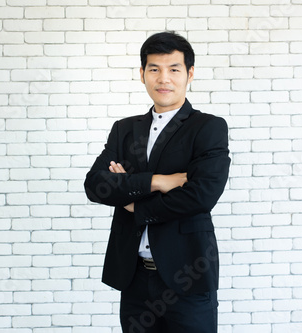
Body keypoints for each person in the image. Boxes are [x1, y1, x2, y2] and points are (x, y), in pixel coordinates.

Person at [84, 31, 231, 333]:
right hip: (134, 278)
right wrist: (158, 181)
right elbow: (96, 185)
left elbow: (200, 196)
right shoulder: (124, 130)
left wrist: (131, 200)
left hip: (187, 277)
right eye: (154, 69)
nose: (164, 78)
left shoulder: (208, 128)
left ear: (190, 74)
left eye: (174, 69)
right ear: (142, 74)